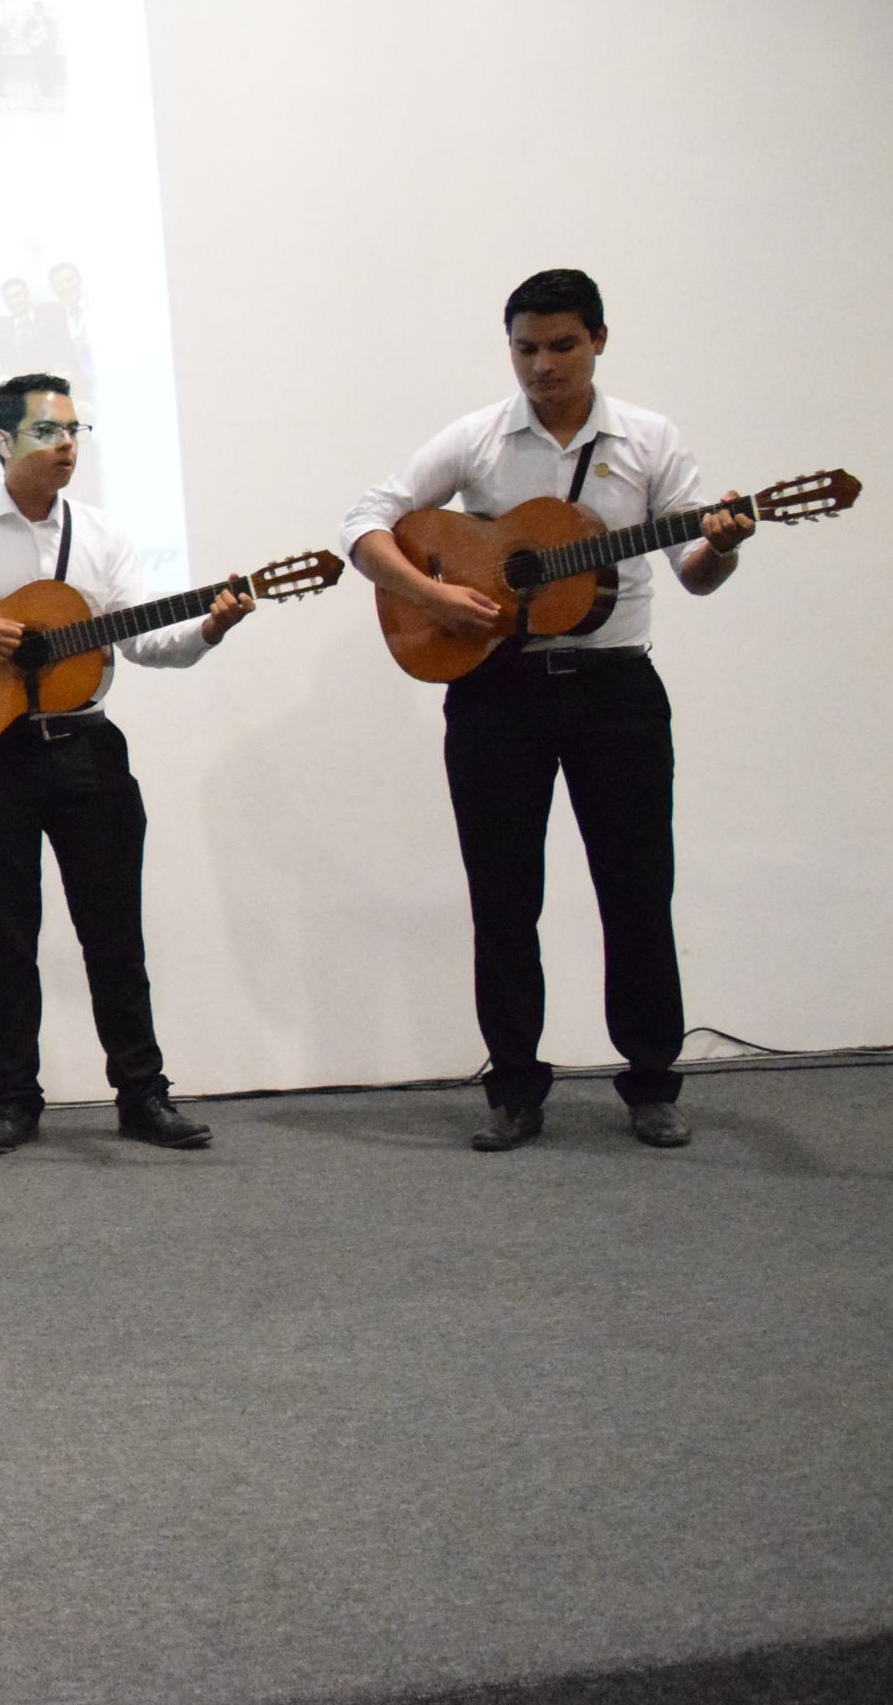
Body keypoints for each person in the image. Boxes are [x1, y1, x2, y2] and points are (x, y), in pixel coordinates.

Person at [342, 268, 750, 1152]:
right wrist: (434, 597)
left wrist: (720, 546)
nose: (542, 365)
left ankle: (651, 1083)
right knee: (503, 897)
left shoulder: (648, 440)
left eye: (562, 345)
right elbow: (364, 524)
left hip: (616, 690)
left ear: (598, 339)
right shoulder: (479, 437)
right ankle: (515, 1089)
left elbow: (694, 574)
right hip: (497, 692)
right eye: (525, 348)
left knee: (636, 891)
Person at [0, 372, 251, 1156]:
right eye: (48, 431)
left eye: (74, 431)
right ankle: (13, 1100)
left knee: (114, 932)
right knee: (7, 935)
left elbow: (146, 642)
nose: (67, 445)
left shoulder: (102, 535)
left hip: (87, 750)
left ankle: (142, 1094)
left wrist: (210, 627)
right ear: (4, 442)